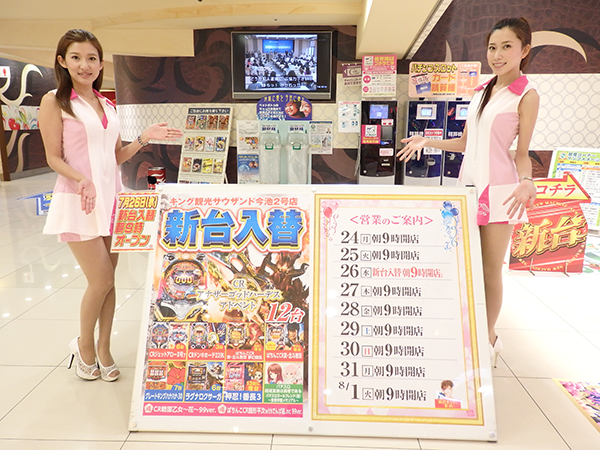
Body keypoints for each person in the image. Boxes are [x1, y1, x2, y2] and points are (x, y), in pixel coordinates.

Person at [39, 29, 183, 381]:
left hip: (110, 199)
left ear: (100, 63)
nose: (84, 65)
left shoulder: (108, 105)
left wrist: (144, 138)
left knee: (109, 282)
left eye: (91, 58)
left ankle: (104, 348)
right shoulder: (55, 101)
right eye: (76, 57)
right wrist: (81, 179)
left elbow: (114, 156)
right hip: (79, 200)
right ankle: (84, 345)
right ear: (62, 62)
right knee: (100, 279)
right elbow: (53, 157)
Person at [397, 17, 539, 367]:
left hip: (501, 193)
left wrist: (527, 180)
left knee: (489, 272)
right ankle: (470, 331)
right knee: (465, 267)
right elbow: (465, 142)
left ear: (524, 50)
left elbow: (522, 154)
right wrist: (427, 140)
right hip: (466, 191)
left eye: (507, 47)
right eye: (492, 47)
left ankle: (487, 339)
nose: (497, 54)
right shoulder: (480, 91)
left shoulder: (526, 95)